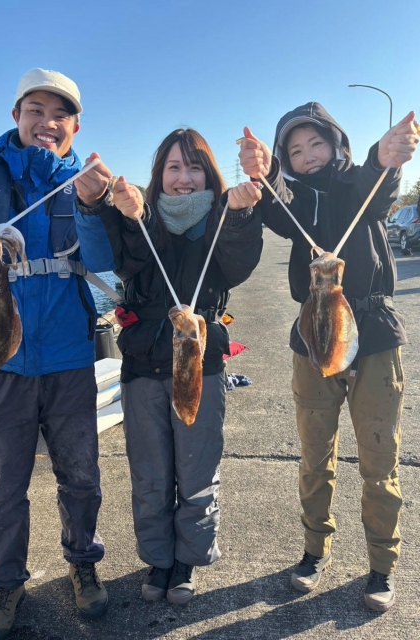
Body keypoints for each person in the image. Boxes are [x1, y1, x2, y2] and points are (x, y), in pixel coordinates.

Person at [0, 68, 116, 639]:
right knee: (1, 486)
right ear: (16, 115)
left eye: (60, 114)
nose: (47, 122)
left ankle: (83, 564)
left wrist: (99, 204)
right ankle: (5, 583)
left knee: (81, 477)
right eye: (35, 110)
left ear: (75, 126)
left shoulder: (86, 182)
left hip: (68, 357)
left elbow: (106, 259)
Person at [239, 103, 419, 612]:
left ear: (338, 143)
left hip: (375, 335)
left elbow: (378, 187)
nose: (308, 155)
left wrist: (387, 157)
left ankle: (381, 564)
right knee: (315, 455)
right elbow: (280, 205)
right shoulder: (296, 200)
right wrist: (266, 173)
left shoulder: (359, 183)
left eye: (316, 143)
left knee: (379, 459)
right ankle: (314, 551)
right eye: (295, 150)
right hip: (313, 338)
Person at [94, 128, 273, 604]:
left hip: (202, 362)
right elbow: (125, 263)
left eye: (194, 168)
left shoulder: (223, 216)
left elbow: (237, 268)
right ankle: (158, 559)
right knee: (149, 472)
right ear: (159, 176)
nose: (184, 178)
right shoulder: (139, 216)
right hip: (143, 364)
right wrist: (122, 212)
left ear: (209, 174)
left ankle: (188, 559)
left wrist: (241, 215)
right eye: (173, 167)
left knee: (197, 468)